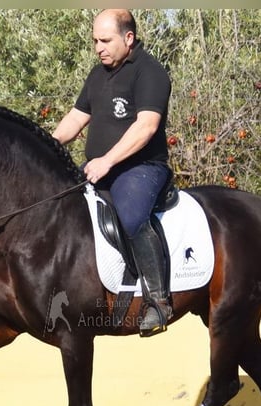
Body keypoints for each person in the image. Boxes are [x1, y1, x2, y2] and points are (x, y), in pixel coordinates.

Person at [53, 9, 173, 337]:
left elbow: (146, 127)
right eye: (95, 40)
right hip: (99, 168)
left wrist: (107, 160)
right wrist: (46, 143)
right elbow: (76, 119)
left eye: (105, 40)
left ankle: (158, 302)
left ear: (128, 38)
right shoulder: (97, 75)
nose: (98, 47)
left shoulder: (150, 73)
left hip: (141, 168)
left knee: (132, 215)